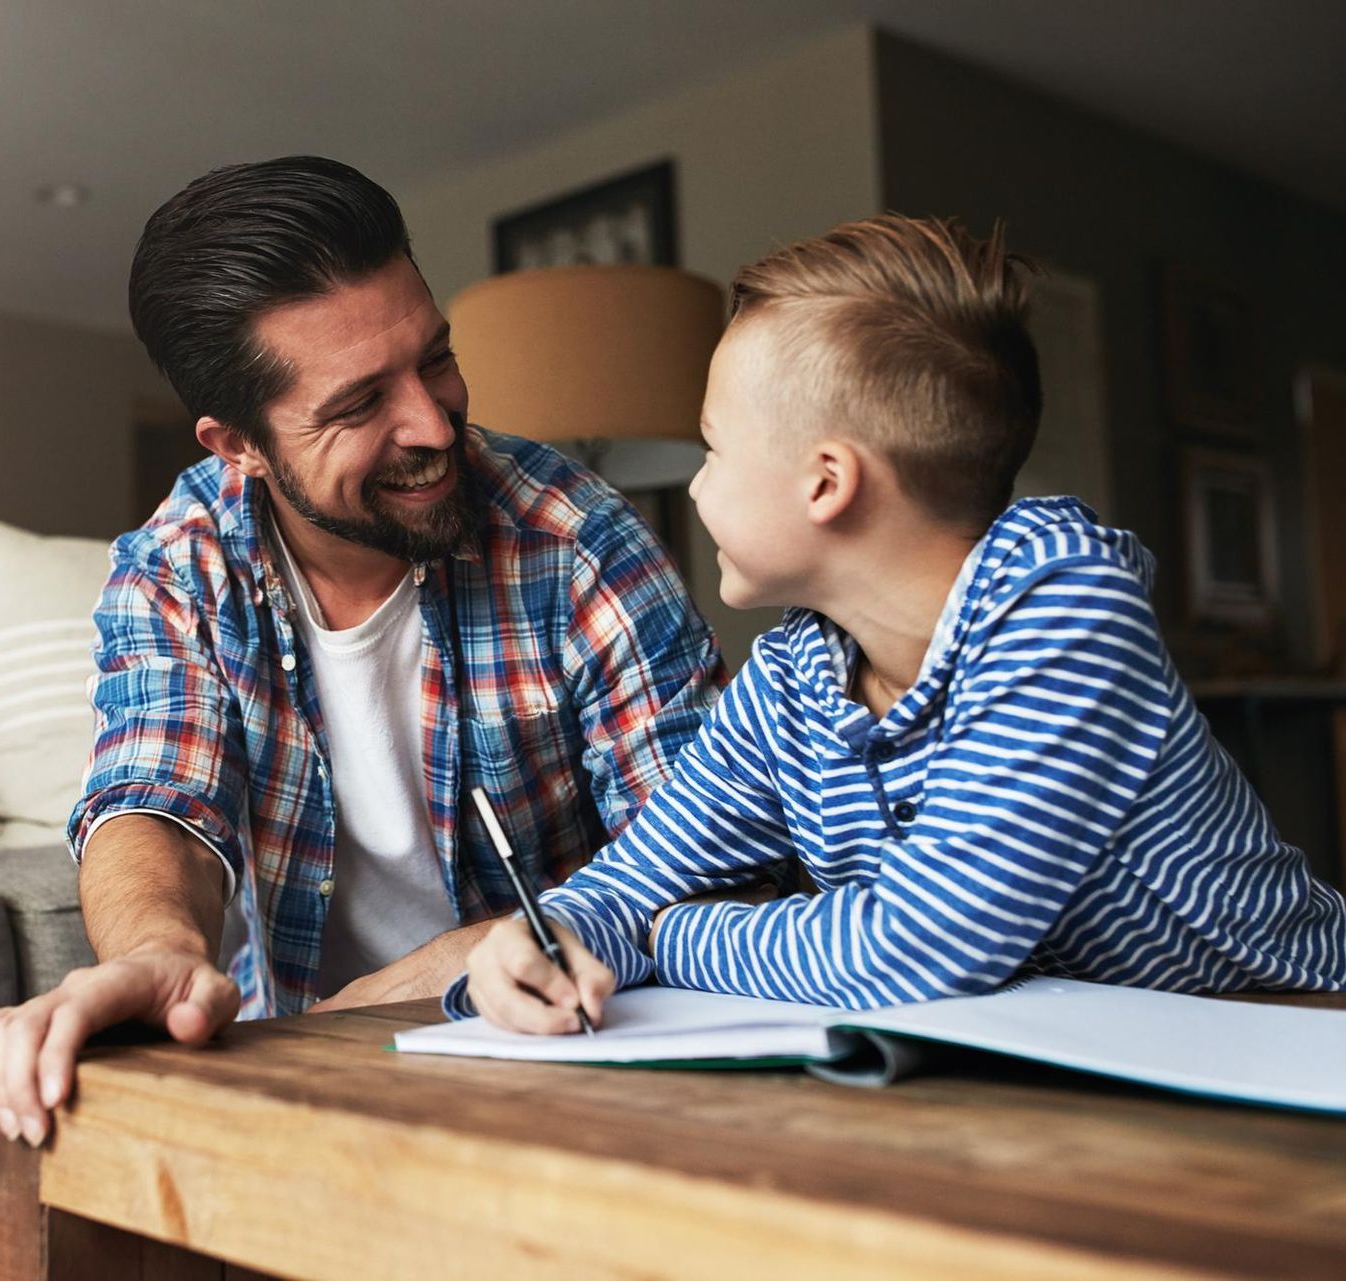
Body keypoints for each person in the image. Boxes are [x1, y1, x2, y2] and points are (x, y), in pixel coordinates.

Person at [0, 156, 726, 1144]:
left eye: (436, 359)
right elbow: (154, 795)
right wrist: (155, 948)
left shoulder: (576, 539)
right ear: (236, 445)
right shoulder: (176, 569)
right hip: (311, 1060)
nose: (434, 424)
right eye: (360, 405)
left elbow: (705, 852)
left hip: (569, 1047)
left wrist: (464, 960)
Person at [462, 214, 1346, 1033]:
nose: (695, 485)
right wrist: (550, 941)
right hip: (1078, 1059)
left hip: (1288, 1030)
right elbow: (624, 888)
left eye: (714, 448)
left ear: (825, 482)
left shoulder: (1063, 612)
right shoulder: (789, 686)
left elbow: (919, 945)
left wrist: (667, 938)